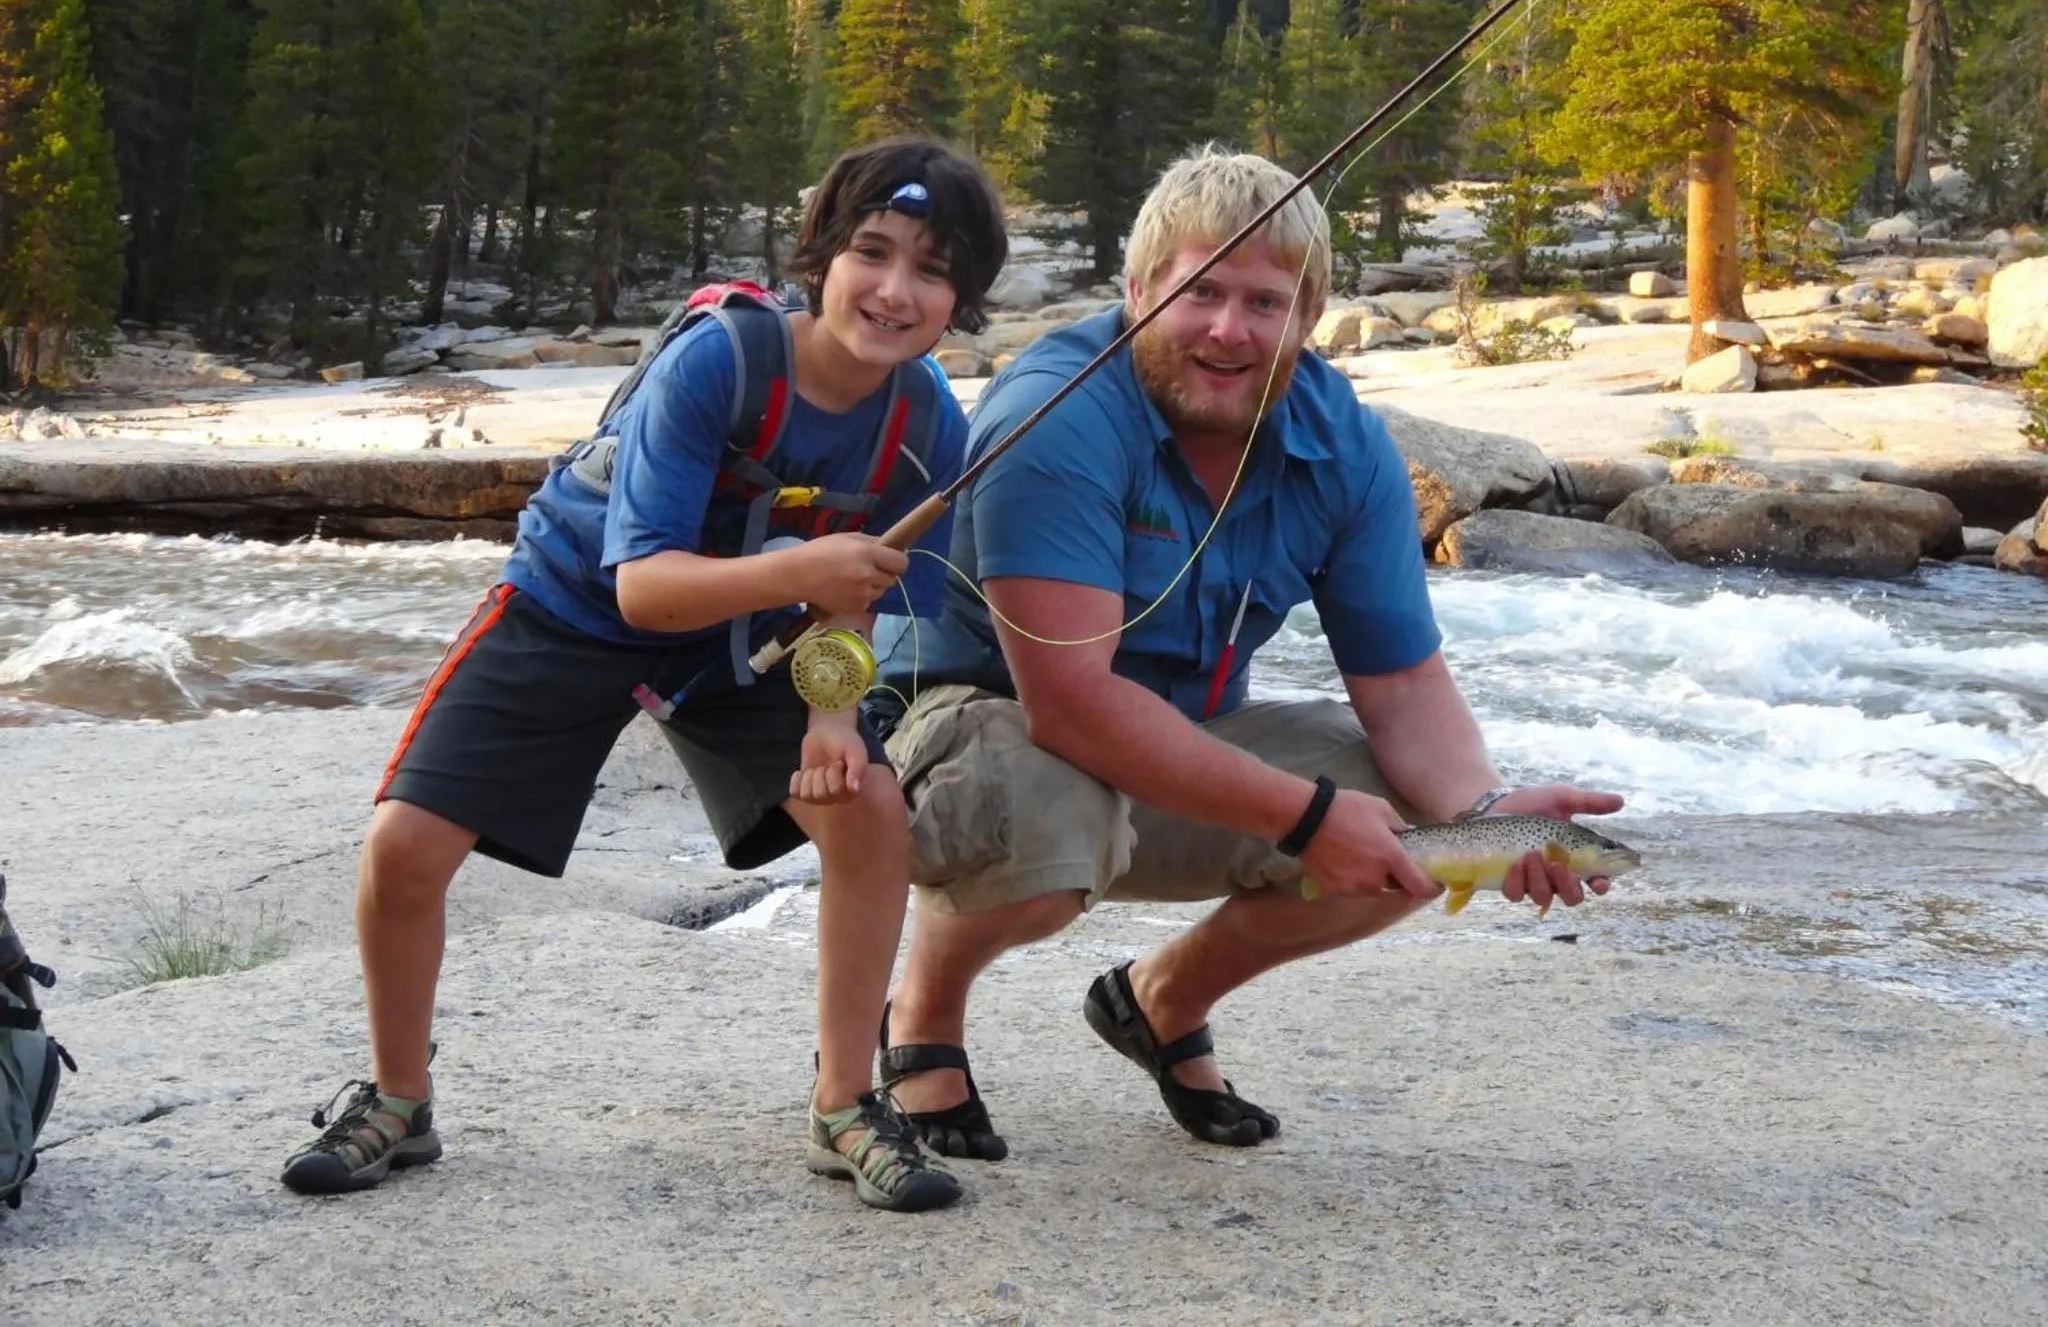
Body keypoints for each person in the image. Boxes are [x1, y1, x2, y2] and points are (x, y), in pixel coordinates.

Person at [281, 136, 1008, 1213]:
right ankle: (398, 1099)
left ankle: (846, 1103)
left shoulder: (925, 423)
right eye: (873, 251)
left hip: (751, 636)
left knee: (868, 813)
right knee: (404, 844)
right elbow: (643, 591)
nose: (896, 290)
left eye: (933, 270)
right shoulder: (717, 359)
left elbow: (855, 595)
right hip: (576, 601)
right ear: (821, 255)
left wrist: (829, 719)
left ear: (963, 298)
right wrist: (806, 566)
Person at [869, 147, 1622, 1160]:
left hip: (1171, 738)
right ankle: (922, 1007)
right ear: (1137, 291)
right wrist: (1305, 817)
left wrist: (1489, 821)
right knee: (1047, 807)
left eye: (1265, 303)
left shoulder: (1342, 445)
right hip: (966, 732)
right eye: (1200, 292)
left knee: (1403, 836)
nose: (1229, 330)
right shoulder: (1058, 415)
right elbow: (1070, 708)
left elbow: (1400, 687)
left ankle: (1158, 999)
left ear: (1307, 319)